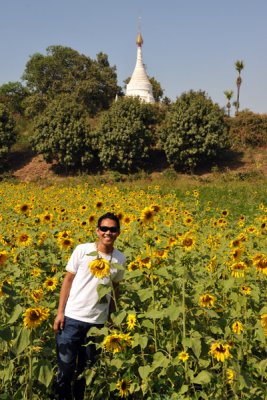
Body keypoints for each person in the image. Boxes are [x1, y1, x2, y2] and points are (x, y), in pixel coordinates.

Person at [53, 212, 126, 400]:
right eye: (104, 229)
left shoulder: (120, 259)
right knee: (66, 366)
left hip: (98, 324)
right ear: (97, 231)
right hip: (72, 318)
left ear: (118, 232)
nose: (108, 233)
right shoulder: (83, 250)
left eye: (113, 229)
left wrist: (111, 318)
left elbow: (114, 290)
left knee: (86, 370)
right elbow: (68, 280)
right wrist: (60, 312)